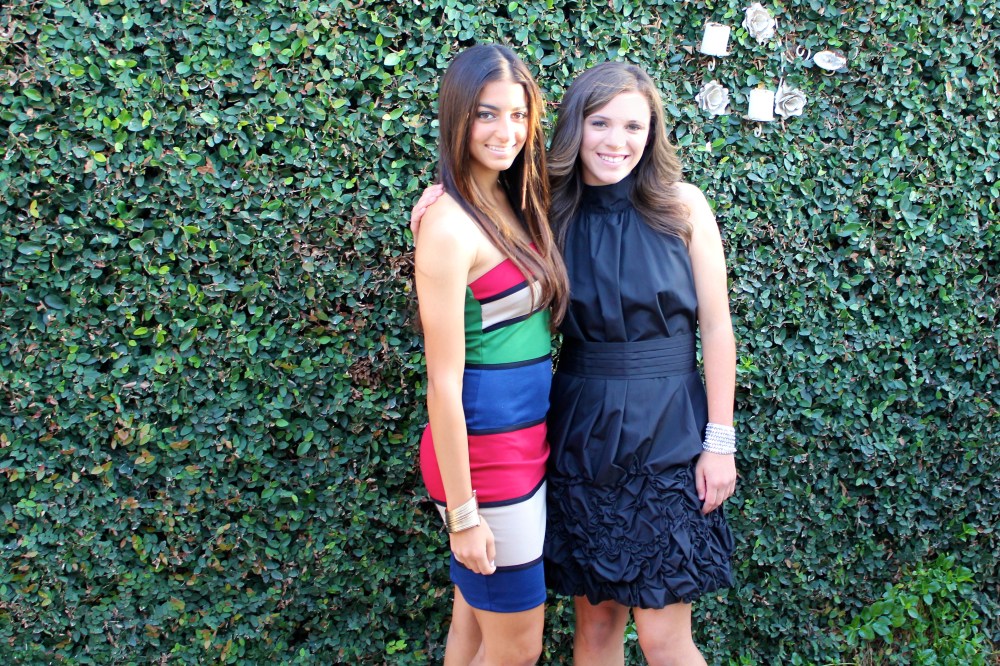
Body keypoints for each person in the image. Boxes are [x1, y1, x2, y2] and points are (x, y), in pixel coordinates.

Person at [412, 61, 737, 666]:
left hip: (671, 428)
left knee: (665, 638)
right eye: (600, 123)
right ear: (574, 128)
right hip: (581, 431)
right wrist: (438, 199)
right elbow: (479, 208)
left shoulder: (685, 206)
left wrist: (721, 439)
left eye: (634, 126)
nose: (617, 141)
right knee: (594, 630)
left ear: (653, 132)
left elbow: (717, 327)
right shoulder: (545, 211)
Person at [413, 44, 569, 666]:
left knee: (473, 633)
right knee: (518, 651)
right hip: (484, 462)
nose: (506, 131)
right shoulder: (448, 225)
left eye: (518, 114)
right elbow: (442, 385)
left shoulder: (510, 198)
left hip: (526, 446)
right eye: (486, 114)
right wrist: (463, 515)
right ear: (457, 117)